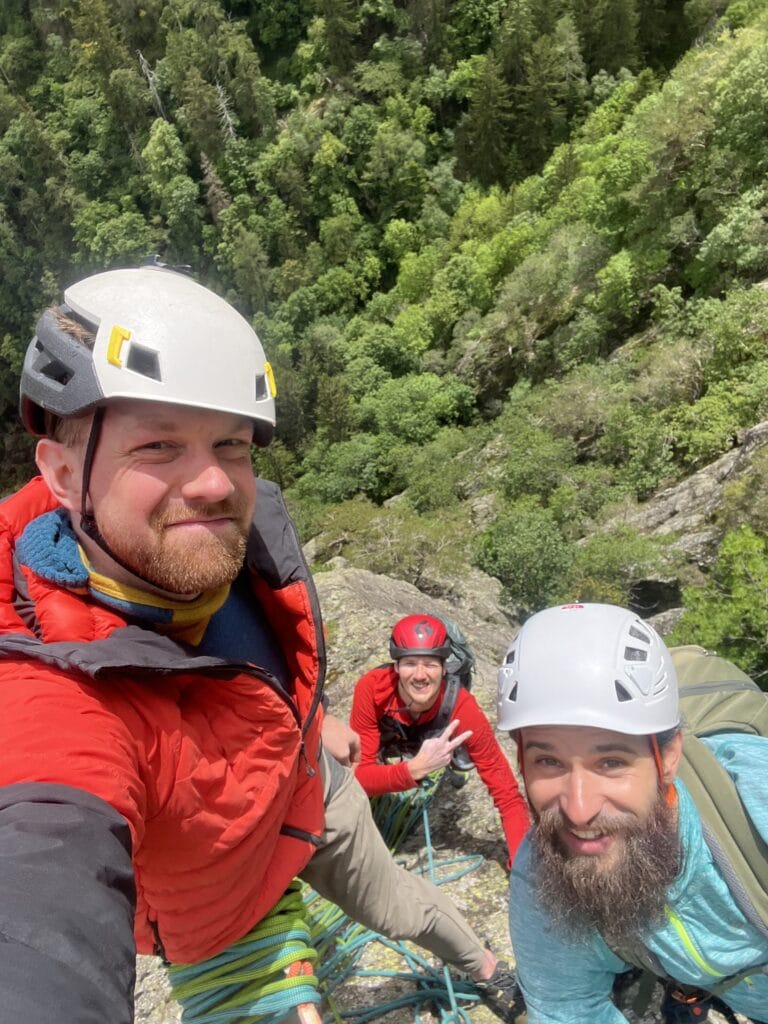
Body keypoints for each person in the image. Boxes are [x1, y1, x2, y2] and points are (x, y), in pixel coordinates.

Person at [0, 263, 522, 1022]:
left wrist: (317, 722)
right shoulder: (45, 685)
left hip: (306, 785)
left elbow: (255, 663)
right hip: (220, 910)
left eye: (232, 443)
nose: (213, 481)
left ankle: (487, 968)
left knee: (407, 908)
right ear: (60, 471)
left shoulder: (223, 549)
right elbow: (43, 889)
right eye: (158, 447)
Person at [498, 602, 768, 1024]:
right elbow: (567, 1007)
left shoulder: (756, 792)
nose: (579, 809)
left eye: (611, 762)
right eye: (548, 762)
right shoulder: (540, 874)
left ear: (669, 756)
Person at [350, 613, 530, 865]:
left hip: (438, 726)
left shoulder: (463, 708)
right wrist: (413, 770)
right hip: (394, 737)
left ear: (445, 668)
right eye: (410, 663)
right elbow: (358, 777)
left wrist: (521, 865)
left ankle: (457, 750)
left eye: (431, 664)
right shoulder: (372, 688)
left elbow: (507, 793)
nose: (420, 675)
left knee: (463, 744)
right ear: (396, 667)